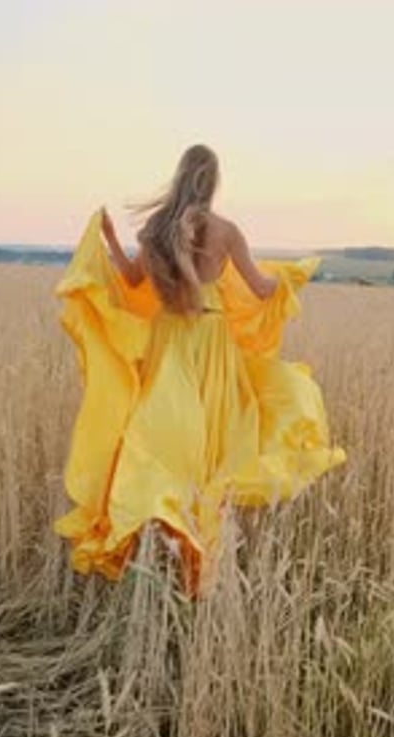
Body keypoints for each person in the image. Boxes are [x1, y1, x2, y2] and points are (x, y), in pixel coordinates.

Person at [54, 144, 346, 595]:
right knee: (212, 448)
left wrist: (110, 239)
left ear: (178, 176)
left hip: (168, 342)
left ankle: (158, 534)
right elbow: (262, 288)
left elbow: (130, 280)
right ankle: (197, 549)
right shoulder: (227, 232)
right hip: (211, 345)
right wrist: (289, 278)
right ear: (213, 183)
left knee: (161, 440)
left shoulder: (155, 229)